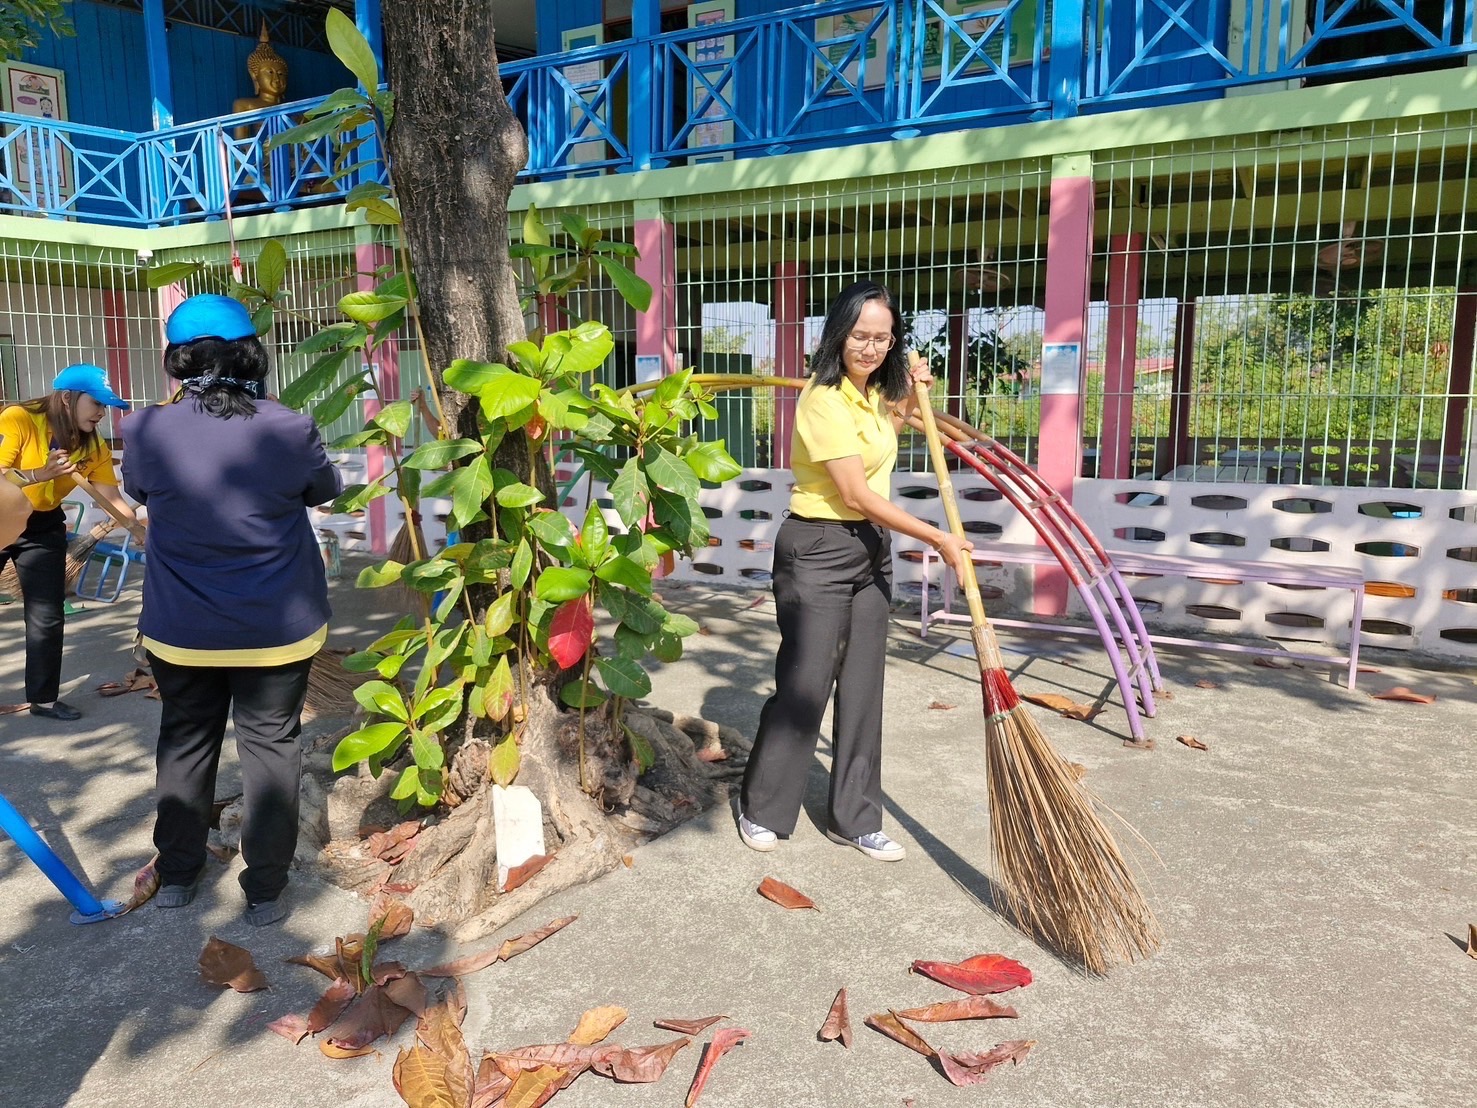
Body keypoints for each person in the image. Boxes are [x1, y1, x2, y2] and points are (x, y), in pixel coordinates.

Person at [122, 294, 341, 927]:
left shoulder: (142, 429)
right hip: (277, 627)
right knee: (272, 747)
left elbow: (141, 492)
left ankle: (179, 878)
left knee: (186, 744)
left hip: (180, 628)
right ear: (251, 354)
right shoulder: (289, 426)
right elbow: (323, 489)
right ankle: (266, 892)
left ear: (176, 362)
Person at [738, 281, 974, 861]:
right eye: (861, 336)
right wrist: (940, 537)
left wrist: (914, 398)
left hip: (870, 550)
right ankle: (763, 807)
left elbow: (882, 448)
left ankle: (855, 816)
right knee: (806, 682)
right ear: (839, 335)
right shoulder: (823, 399)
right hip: (817, 546)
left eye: (882, 337)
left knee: (865, 685)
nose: (870, 347)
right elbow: (854, 492)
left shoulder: (872, 398)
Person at [0, 365, 142, 720]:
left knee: (47, 615)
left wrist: (139, 528)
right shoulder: (18, 419)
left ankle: (44, 700)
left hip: (42, 526)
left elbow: (110, 498)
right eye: (95, 403)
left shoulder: (92, 445)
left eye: (105, 406)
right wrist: (37, 474)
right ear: (67, 398)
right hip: (1, 514)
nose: (101, 413)